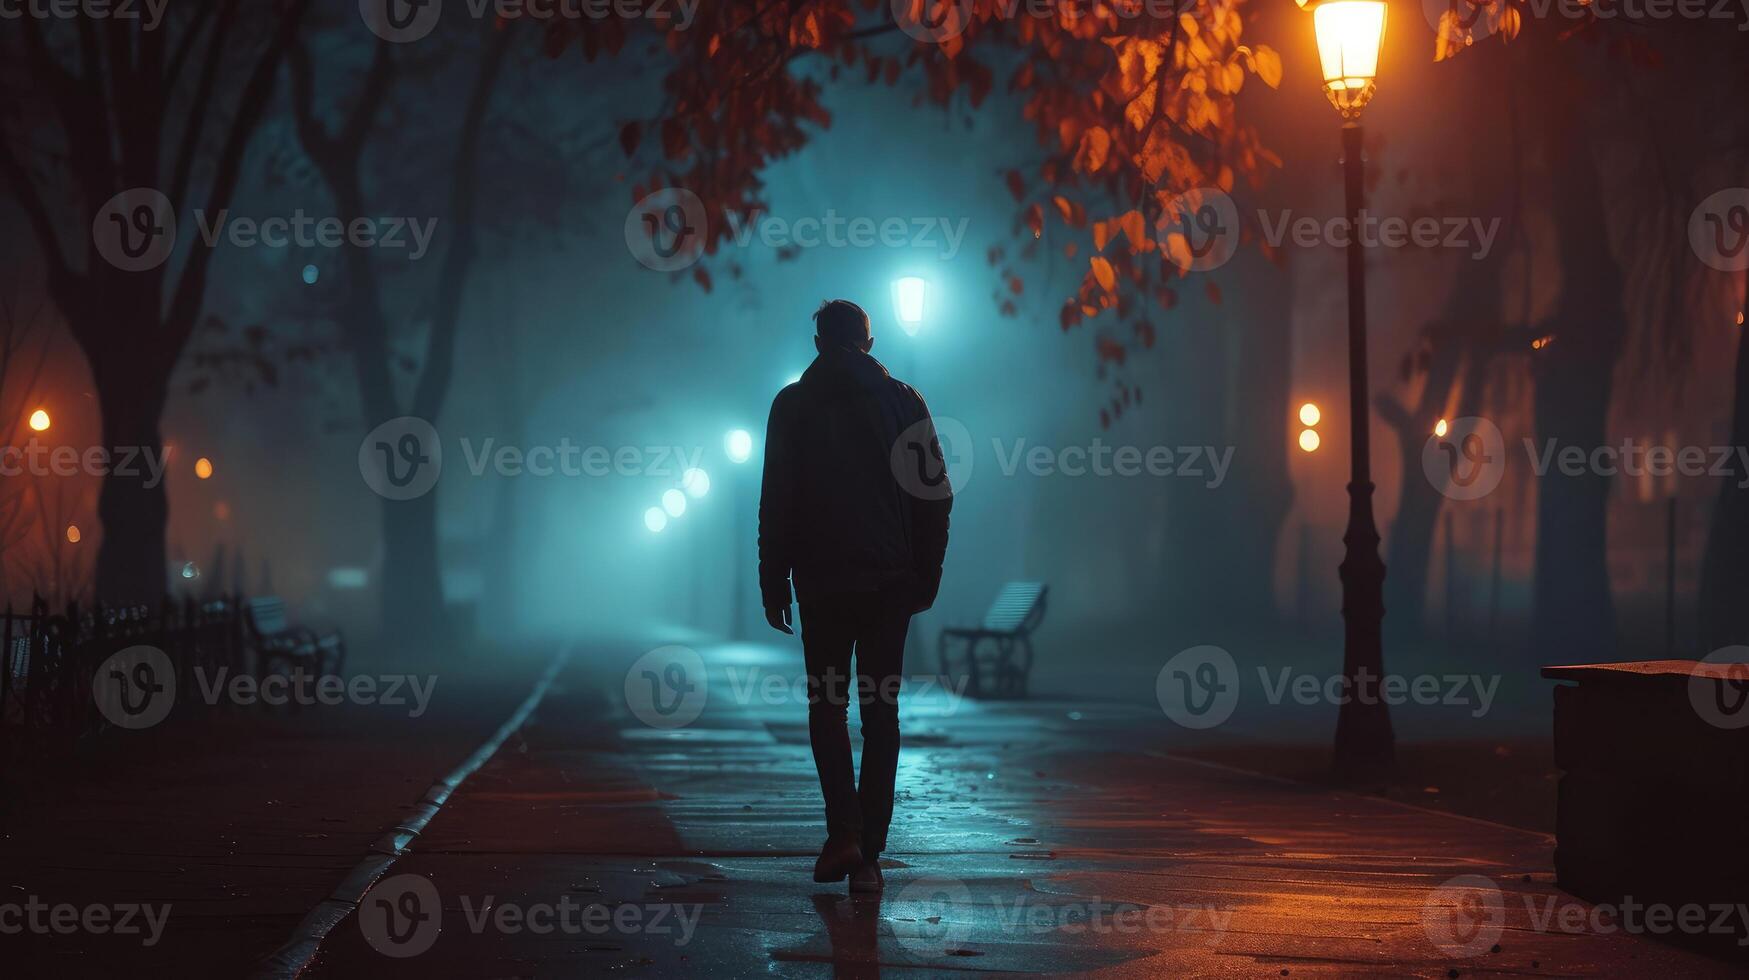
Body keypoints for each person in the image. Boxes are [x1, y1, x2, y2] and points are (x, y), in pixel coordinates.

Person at [758, 298, 953, 893]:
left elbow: (777, 498)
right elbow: (934, 496)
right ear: (870, 341)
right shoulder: (904, 403)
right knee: (881, 712)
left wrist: (774, 579)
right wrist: (925, 574)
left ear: (818, 342)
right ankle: (869, 850)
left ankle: (843, 830)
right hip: (888, 584)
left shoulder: (792, 405)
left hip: (820, 583)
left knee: (827, 708)